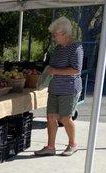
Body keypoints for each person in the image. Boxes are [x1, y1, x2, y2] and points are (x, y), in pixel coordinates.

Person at [35, 17, 83, 157]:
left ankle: (73, 144)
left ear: (65, 33)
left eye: (55, 35)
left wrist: (55, 71)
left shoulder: (76, 48)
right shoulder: (57, 48)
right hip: (55, 87)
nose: (53, 37)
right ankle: (50, 147)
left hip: (69, 88)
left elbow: (76, 70)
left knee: (65, 118)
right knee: (50, 117)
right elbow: (52, 66)